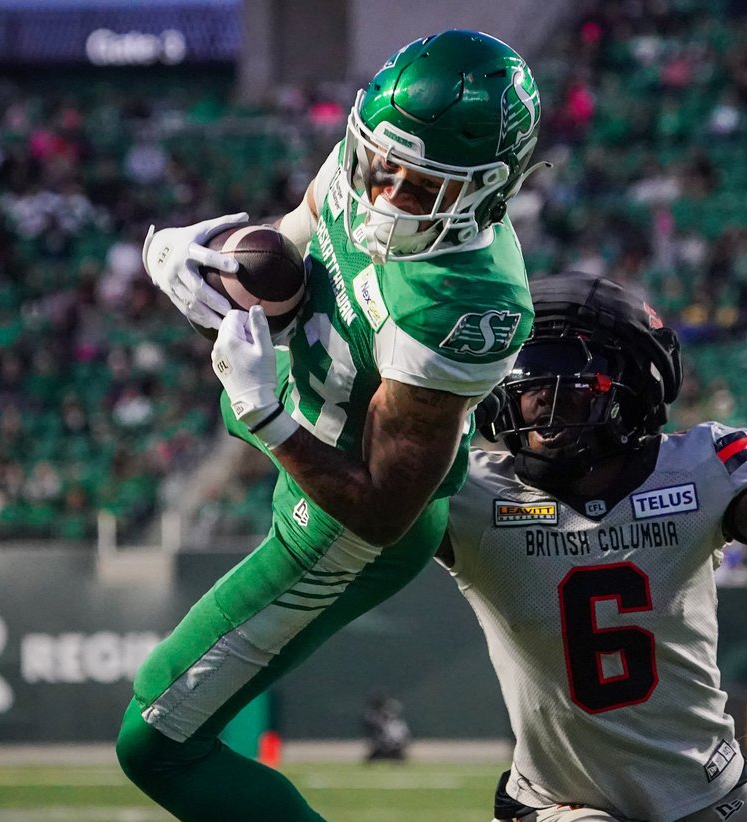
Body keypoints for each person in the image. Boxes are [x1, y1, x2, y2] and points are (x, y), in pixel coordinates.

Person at [120, 29, 545, 821]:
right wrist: (197, 265)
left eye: (419, 187)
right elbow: (285, 256)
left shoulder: (461, 301)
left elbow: (384, 511)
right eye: (381, 166)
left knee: (155, 741)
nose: (383, 197)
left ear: (488, 188)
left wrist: (264, 414)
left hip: (343, 525)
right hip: (312, 417)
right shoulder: (370, 164)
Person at [441, 272, 747, 822]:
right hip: (562, 801)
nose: (538, 403)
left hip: (703, 785)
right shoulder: (473, 492)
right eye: (528, 381)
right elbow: (366, 508)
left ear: (630, 388)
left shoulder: (700, 470)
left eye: (565, 382)